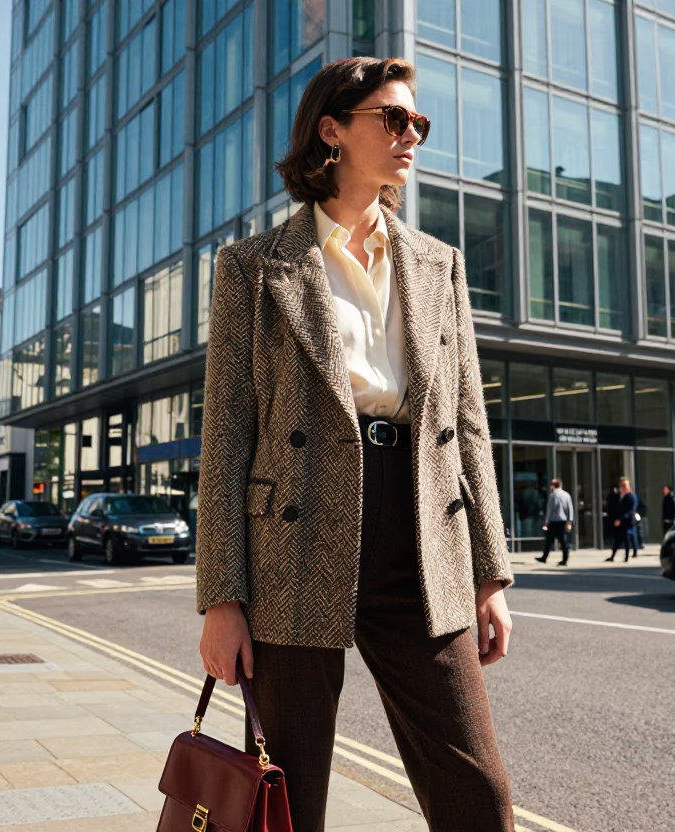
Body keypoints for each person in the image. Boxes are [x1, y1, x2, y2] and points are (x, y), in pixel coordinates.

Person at [195, 57, 514, 831]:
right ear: (332, 131)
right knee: (287, 796)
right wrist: (221, 599)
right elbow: (228, 435)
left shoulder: (441, 266)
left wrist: (489, 572)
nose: (412, 136)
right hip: (295, 541)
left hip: (419, 530)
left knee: (479, 792)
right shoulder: (253, 267)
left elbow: (467, 422)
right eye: (393, 119)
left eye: (419, 123)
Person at [538, 478, 574, 566]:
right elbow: (570, 509)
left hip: (554, 521)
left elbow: (550, 510)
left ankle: (544, 557)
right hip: (563, 521)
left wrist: (546, 522)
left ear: (553, 486)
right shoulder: (567, 495)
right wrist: (569, 521)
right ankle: (565, 559)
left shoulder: (553, 495)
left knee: (549, 540)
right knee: (564, 541)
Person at [605, 477, 637, 563]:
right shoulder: (622, 497)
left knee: (626, 539)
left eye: (623, 487)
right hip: (622, 521)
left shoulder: (631, 497)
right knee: (618, 539)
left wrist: (621, 519)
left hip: (627, 521)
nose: (622, 489)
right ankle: (613, 556)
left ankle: (626, 557)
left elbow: (630, 511)